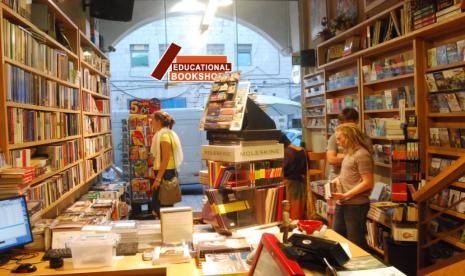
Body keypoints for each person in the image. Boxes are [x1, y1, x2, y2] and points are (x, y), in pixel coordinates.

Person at [331, 123, 374, 250]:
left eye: (340, 138)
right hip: (343, 202)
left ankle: (361, 267)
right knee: (338, 236)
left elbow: (368, 182)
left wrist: (346, 195)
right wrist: (337, 179)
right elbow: (350, 174)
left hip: (356, 204)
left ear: (349, 137)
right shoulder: (349, 153)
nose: (337, 142)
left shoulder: (362, 154)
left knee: (355, 242)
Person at [326, 107, 371, 227]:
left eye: (348, 122)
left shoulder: (361, 151)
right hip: (341, 192)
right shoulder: (349, 151)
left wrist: (339, 157)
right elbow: (331, 159)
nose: (337, 142)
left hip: (353, 198)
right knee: (336, 226)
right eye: (342, 122)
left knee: (354, 237)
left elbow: (367, 179)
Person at [150, 111, 183, 217]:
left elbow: (165, 158)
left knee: (160, 205)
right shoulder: (167, 133)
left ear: (158, 121)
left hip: (165, 173)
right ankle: (166, 227)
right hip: (166, 171)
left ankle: (167, 228)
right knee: (165, 204)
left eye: (152, 120)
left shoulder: (164, 135)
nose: (151, 122)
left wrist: (158, 179)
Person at [280, 133, 307, 220]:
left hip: (289, 185)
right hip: (301, 183)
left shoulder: (286, 152)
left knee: (290, 212)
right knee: (299, 211)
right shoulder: (302, 150)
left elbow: (282, 170)